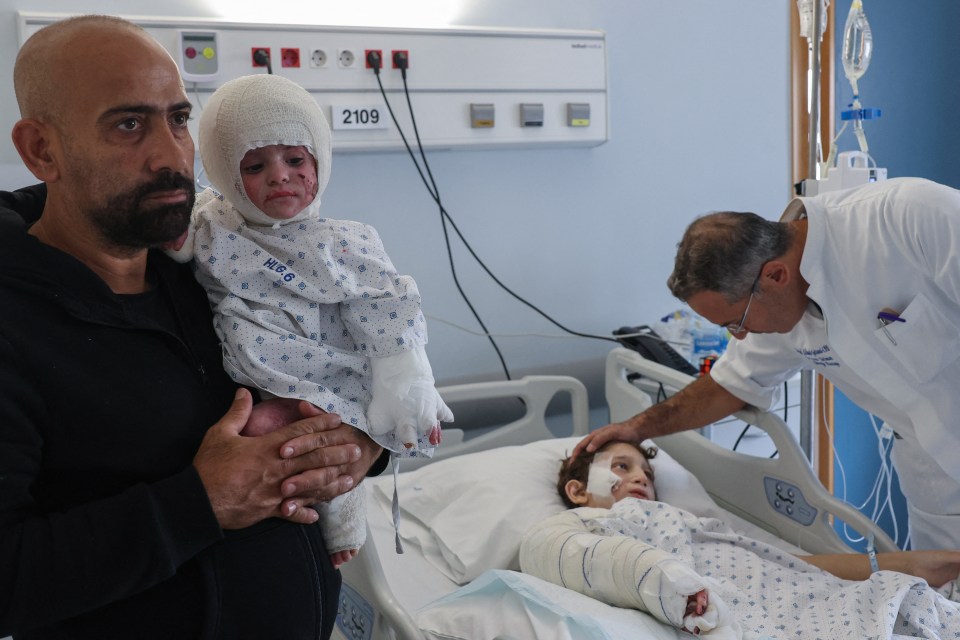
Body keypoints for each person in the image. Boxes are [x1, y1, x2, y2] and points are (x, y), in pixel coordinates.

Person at [0, 15, 388, 640]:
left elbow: (342, 356)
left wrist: (365, 446)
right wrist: (199, 503)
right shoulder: (15, 324)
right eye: (128, 125)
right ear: (42, 149)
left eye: (177, 119)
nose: (172, 156)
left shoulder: (217, 262)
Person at [576, 177, 960, 551]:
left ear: (775, 276)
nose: (739, 336)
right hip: (934, 477)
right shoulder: (778, 308)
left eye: (735, 322)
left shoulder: (909, 217)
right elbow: (728, 385)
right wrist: (638, 427)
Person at [164, 73, 452, 568]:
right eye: (255, 166)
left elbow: (385, 309)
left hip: (321, 371)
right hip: (256, 370)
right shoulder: (214, 224)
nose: (280, 176)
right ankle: (314, 508)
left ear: (321, 159)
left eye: (296, 159)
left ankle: (342, 509)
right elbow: (176, 242)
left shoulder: (343, 242)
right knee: (262, 427)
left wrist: (408, 383)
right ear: (225, 173)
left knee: (295, 429)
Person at [522, 439, 960, 638]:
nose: (639, 476)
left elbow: (784, 564)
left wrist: (908, 563)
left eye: (647, 473)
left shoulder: (689, 521)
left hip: (820, 595)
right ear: (578, 492)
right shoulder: (596, 533)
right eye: (621, 467)